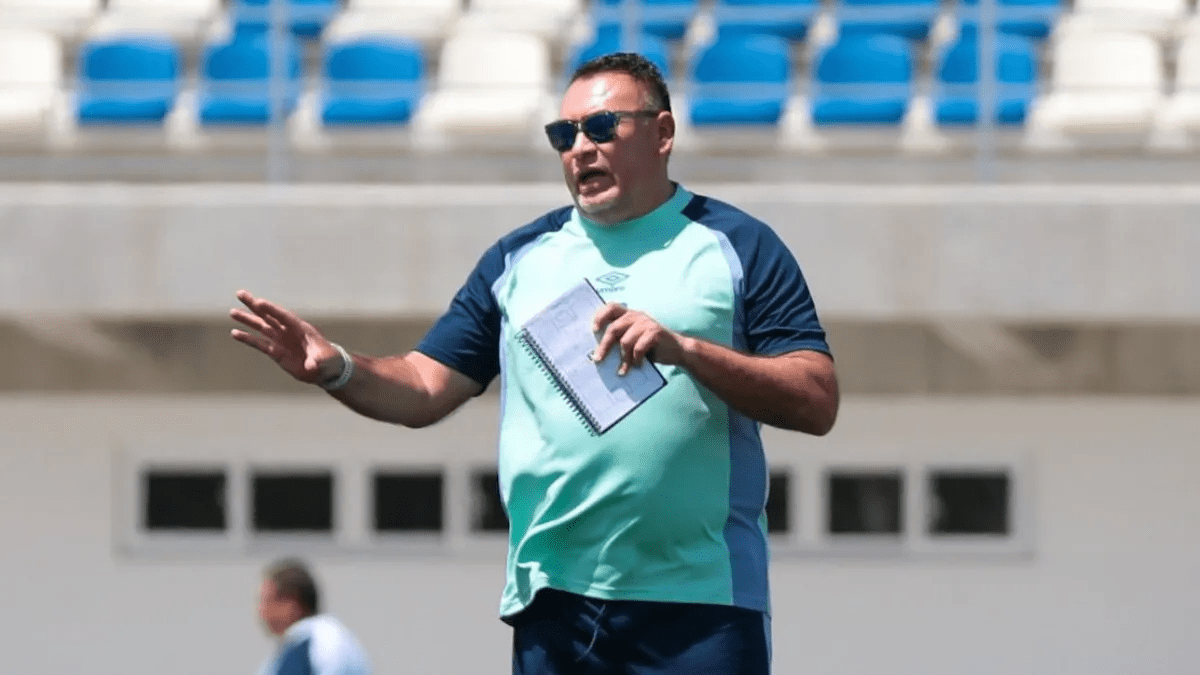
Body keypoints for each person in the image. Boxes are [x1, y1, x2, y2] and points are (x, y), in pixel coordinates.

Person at [231, 52, 839, 675]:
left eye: (601, 127)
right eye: (563, 134)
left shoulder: (739, 246)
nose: (580, 148)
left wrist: (687, 350)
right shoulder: (518, 260)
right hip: (556, 607)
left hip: (702, 604)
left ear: (662, 133)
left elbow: (817, 398)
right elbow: (424, 386)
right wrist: (337, 367)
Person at [255, 558, 371, 675]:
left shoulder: (305, 642)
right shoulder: (333, 635)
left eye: (268, 601)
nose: (261, 610)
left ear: (292, 602)